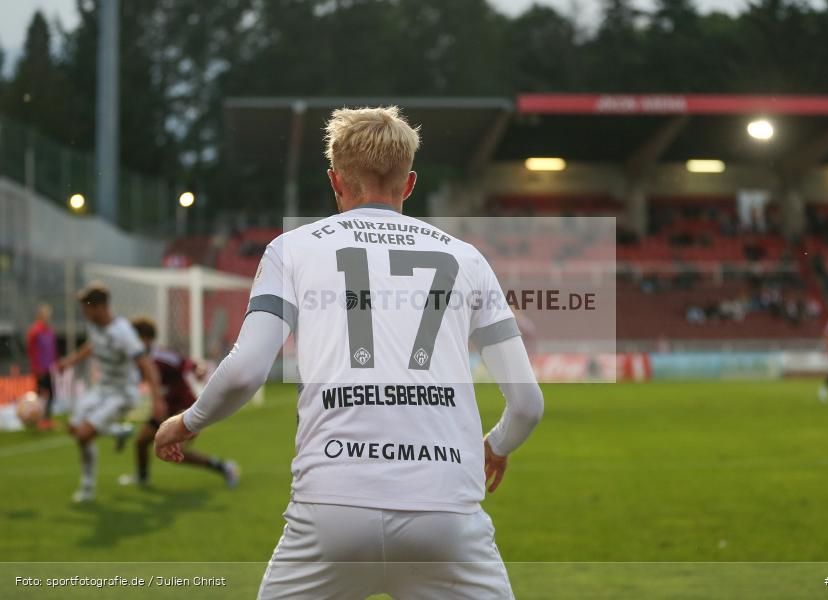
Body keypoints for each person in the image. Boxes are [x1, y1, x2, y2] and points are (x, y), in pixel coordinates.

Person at [155, 106, 544, 599]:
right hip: (445, 511)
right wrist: (496, 446)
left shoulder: (290, 250)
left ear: (335, 181)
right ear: (409, 184)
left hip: (332, 508)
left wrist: (187, 422)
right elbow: (528, 403)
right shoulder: (468, 258)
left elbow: (244, 371)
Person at [56, 283, 165, 503]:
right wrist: (71, 361)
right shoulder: (95, 327)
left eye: (86, 307)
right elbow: (92, 345)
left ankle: (88, 486)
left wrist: (157, 400)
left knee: (85, 434)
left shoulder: (123, 332)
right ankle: (117, 432)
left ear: (99, 307)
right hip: (101, 390)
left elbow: (146, 365)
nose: (83, 312)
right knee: (76, 431)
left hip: (122, 394)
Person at [119, 317, 239, 488]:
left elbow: (191, 364)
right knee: (141, 441)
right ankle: (142, 478)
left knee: (177, 452)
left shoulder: (161, 356)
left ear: (144, 338)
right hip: (164, 410)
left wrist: (199, 370)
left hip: (184, 408)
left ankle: (225, 467)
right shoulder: (138, 359)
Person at [26, 303, 57, 431]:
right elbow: (31, 350)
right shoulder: (35, 331)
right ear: (39, 316)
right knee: (40, 395)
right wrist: (36, 367)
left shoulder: (49, 331)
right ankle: (38, 420)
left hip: (49, 368)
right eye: (44, 315)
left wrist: (55, 363)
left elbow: (52, 350)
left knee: (51, 394)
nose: (47, 318)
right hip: (39, 368)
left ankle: (46, 419)